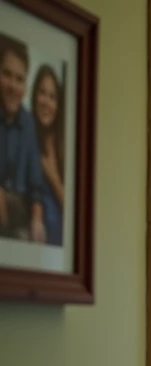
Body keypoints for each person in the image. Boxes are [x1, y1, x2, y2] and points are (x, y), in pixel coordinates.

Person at [0, 35, 46, 243]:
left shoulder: (29, 124)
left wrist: (37, 220)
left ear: (26, 85)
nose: (13, 86)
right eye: (6, 75)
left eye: (19, 79)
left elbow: (36, 188)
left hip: (19, 212)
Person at [32, 64, 64, 246]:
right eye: (42, 93)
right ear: (35, 95)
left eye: (52, 97)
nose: (46, 102)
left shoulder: (63, 143)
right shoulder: (27, 136)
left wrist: (52, 175)